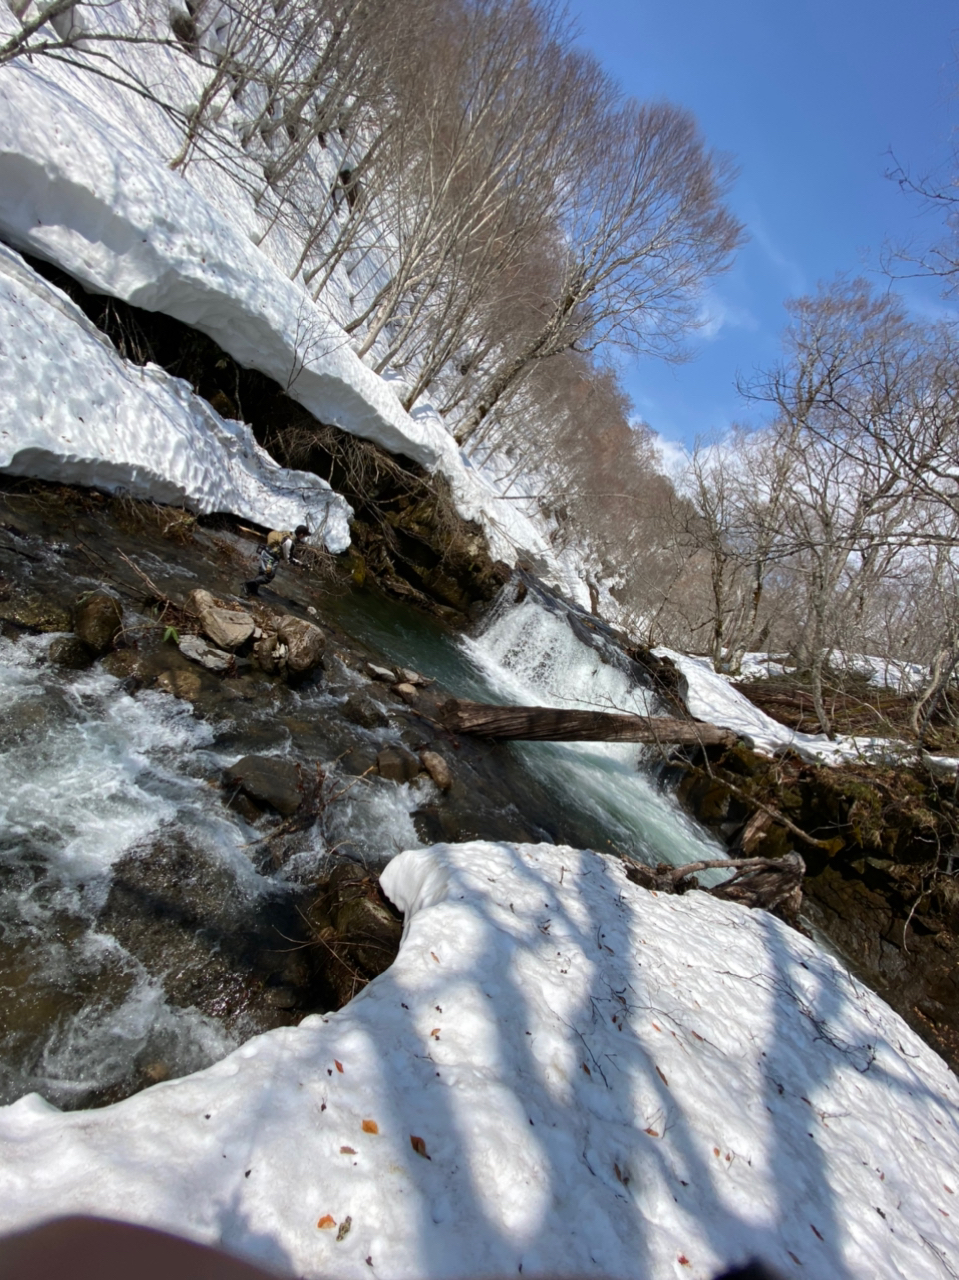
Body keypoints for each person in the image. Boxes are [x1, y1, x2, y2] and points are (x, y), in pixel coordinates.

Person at [244, 525, 309, 596]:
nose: (304, 538)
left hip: (270, 555)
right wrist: (301, 564)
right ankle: (247, 584)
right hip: (270, 559)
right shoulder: (289, 542)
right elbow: (288, 560)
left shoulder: (289, 533)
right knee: (268, 576)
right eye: (305, 536)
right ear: (301, 534)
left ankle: (253, 590)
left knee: (264, 573)